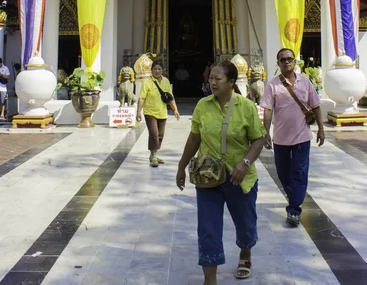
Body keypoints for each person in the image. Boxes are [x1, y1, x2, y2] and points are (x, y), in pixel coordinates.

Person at [176, 60, 266, 284]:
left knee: (245, 224)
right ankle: (210, 279)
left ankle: (245, 254)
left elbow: (258, 140)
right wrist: (181, 166)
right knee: (208, 228)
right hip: (209, 176)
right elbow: (194, 137)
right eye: (211, 78)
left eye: (218, 79)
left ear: (232, 82)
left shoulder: (246, 107)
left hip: (239, 178)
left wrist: (244, 163)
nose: (212, 82)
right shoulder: (203, 106)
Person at [261, 48, 325, 227]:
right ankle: (295, 196)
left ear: (295, 62)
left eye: (290, 59)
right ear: (278, 63)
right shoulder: (273, 85)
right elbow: (267, 109)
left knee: (299, 173)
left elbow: (316, 105)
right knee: (283, 174)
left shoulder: (305, 82)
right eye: (283, 60)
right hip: (281, 138)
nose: (287, 62)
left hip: (302, 137)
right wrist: (265, 131)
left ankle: (294, 210)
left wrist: (321, 128)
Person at [137, 60, 180, 167]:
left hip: (162, 112)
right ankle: (153, 155)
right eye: (155, 69)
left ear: (163, 70)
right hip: (149, 112)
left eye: (159, 69)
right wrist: (138, 112)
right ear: (151, 70)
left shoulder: (165, 81)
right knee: (154, 134)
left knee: (160, 135)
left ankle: (154, 153)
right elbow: (142, 98)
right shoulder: (146, 81)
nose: (157, 71)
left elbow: (170, 97)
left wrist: (175, 110)